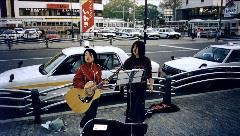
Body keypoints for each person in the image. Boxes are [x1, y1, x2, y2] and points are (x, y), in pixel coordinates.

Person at [122, 40, 153, 123]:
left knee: (140, 106)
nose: (134, 49)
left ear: (141, 49)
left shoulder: (146, 60)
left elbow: (149, 74)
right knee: (131, 106)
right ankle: (129, 124)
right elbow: (123, 74)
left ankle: (139, 124)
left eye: (136, 47)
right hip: (131, 88)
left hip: (142, 88)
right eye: (133, 47)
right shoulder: (128, 61)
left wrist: (150, 84)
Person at [73, 48, 103, 131]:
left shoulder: (97, 67)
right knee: (89, 113)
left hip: (96, 94)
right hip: (86, 95)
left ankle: (90, 128)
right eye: (86, 54)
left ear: (94, 56)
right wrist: (85, 86)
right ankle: (82, 126)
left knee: (94, 113)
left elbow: (99, 80)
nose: (87, 56)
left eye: (90, 54)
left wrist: (102, 83)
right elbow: (76, 81)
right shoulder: (82, 68)